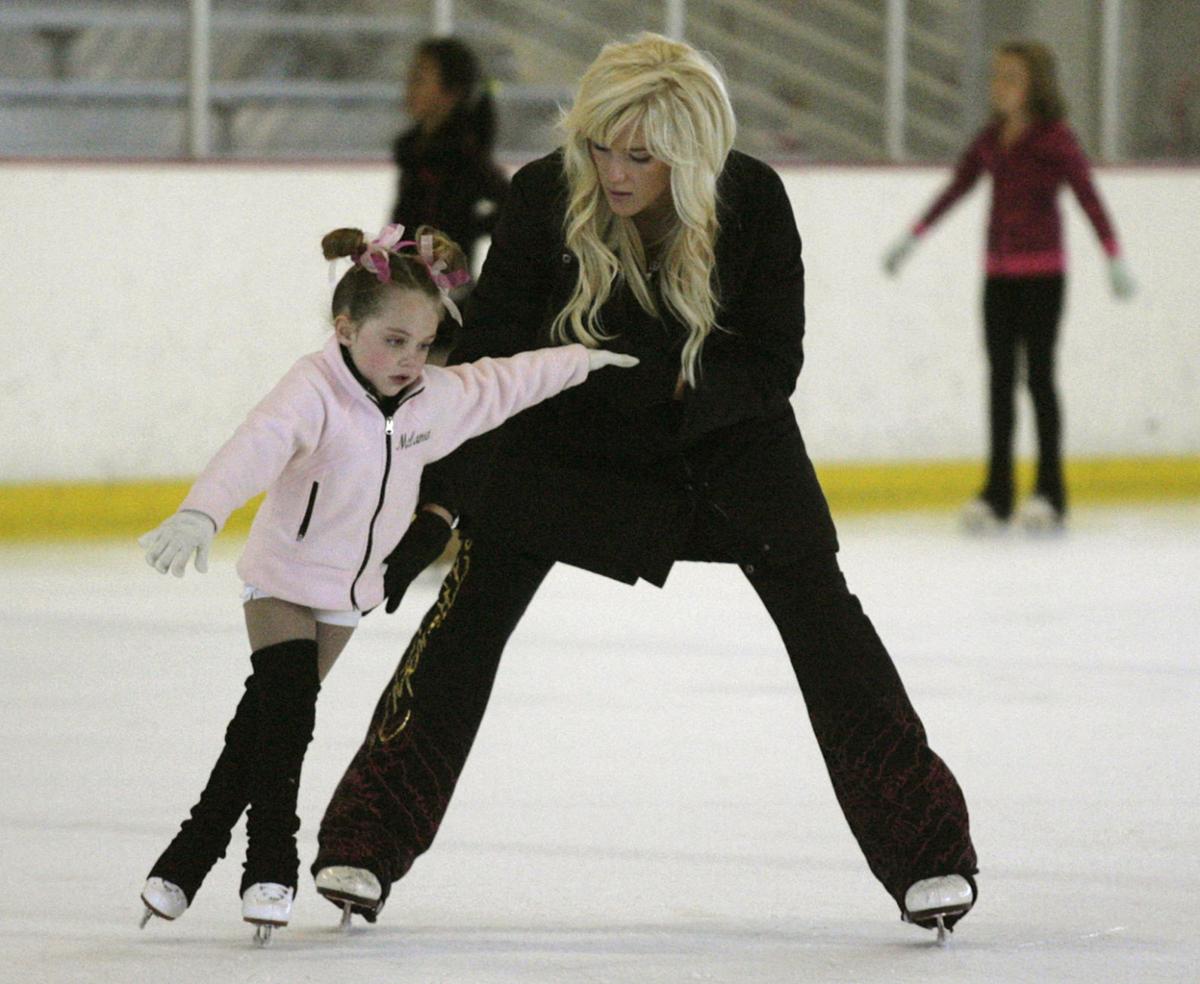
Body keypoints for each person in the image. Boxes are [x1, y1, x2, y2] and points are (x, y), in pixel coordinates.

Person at [310, 33, 979, 943]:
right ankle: (365, 843)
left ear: (692, 151)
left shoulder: (752, 200)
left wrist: (661, 382)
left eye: (641, 154)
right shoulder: (544, 195)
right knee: (468, 612)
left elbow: (772, 361)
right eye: (599, 145)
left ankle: (928, 853)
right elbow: (492, 358)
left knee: (825, 616)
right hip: (565, 436)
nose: (614, 172)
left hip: (724, 442)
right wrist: (434, 508)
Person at [134, 222, 636, 942]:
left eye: (424, 344)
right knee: (289, 715)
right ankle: (269, 865)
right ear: (346, 328)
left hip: (346, 593)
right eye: (393, 341)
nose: (410, 359)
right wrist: (202, 512)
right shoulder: (311, 389)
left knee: (264, 728)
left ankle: (187, 856)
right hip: (282, 577)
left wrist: (584, 360)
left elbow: (509, 381)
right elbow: (256, 445)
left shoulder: (434, 399)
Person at [883, 40, 1136, 531]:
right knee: (999, 381)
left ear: (1033, 86)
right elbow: (958, 186)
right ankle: (998, 492)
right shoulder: (991, 138)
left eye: (1010, 78)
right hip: (997, 276)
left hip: (1044, 276)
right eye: (995, 76)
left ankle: (1050, 491)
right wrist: (914, 236)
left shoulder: (1056, 140)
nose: (998, 86)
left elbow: (1089, 198)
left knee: (1037, 379)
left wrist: (1113, 255)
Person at [392, 37, 510, 326]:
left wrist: (464, 230)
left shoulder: (462, 153)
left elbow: (510, 206)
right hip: (407, 293)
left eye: (419, 78)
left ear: (450, 93)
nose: (409, 87)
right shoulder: (414, 151)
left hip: (447, 306)